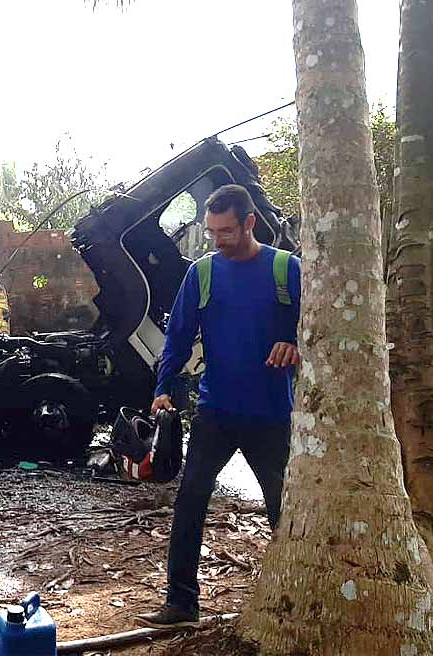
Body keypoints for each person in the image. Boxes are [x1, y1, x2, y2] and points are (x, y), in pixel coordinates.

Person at [138, 184, 301, 628]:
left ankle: (292, 603)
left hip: (271, 415)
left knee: (283, 511)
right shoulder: (203, 273)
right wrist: (163, 386)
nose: (217, 239)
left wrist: (295, 342)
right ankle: (181, 604)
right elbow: (178, 335)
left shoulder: (288, 270)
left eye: (226, 230)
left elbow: (316, 330)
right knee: (190, 501)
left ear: (250, 222)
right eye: (211, 231)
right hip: (216, 411)